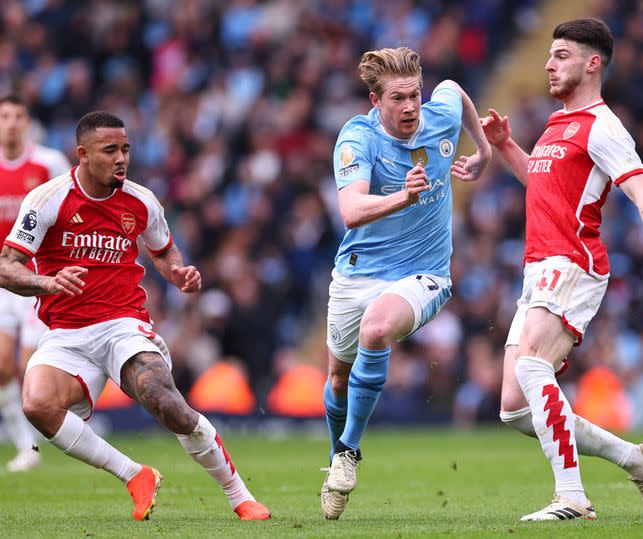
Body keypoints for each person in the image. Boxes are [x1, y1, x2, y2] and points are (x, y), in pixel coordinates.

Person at [0, 111, 270, 522]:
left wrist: (177, 272)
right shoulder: (48, 199)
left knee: (168, 404)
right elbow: (7, 266)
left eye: (125, 148)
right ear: (83, 154)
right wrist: (49, 283)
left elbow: (163, 250)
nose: (121, 158)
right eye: (110, 150)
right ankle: (134, 475)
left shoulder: (142, 200)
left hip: (121, 325)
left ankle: (240, 496)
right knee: (37, 404)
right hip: (66, 332)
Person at [480, 18, 643, 521]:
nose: (548, 63)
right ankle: (639, 460)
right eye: (548, 54)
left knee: (531, 366)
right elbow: (542, 186)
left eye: (561, 54)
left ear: (592, 64)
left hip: (573, 262)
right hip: (539, 267)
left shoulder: (603, 126)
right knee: (514, 410)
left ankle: (572, 498)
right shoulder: (555, 123)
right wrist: (505, 145)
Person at [320, 47, 491, 520]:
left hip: (425, 273)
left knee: (377, 328)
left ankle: (350, 453)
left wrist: (484, 151)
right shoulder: (357, 138)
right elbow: (351, 211)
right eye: (399, 98)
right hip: (357, 272)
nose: (412, 106)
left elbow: (455, 90)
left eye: (415, 94)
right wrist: (401, 196)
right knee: (336, 377)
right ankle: (336, 461)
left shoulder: (439, 113)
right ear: (376, 100)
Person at [0, 94, 71, 472]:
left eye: (17, 116)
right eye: (4, 116)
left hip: (33, 278)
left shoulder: (48, 163)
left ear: (27, 122)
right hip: (1, 277)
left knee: (29, 365)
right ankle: (26, 447)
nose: (11, 122)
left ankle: (53, 428)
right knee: (0, 366)